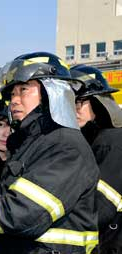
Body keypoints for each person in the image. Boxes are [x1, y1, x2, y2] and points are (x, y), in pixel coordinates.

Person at [0, 52, 100, 253]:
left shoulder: (65, 146)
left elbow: (19, 215)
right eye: (12, 94)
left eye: (23, 90)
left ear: (52, 93)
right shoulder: (32, 143)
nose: (14, 100)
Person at [71, 65, 122, 253]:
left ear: (98, 102)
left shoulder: (112, 141)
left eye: (80, 102)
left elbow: (100, 208)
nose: (74, 109)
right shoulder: (94, 138)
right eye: (70, 103)